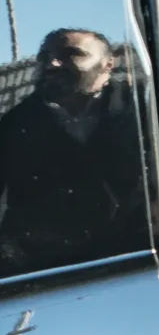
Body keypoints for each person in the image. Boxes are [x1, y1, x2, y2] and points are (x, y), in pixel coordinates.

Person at [0, 29, 149, 271]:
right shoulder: (14, 126)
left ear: (108, 64)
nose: (52, 64)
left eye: (71, 54)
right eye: (44, 57)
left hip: (137, 260)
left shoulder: (145, 107)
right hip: (45, 273)